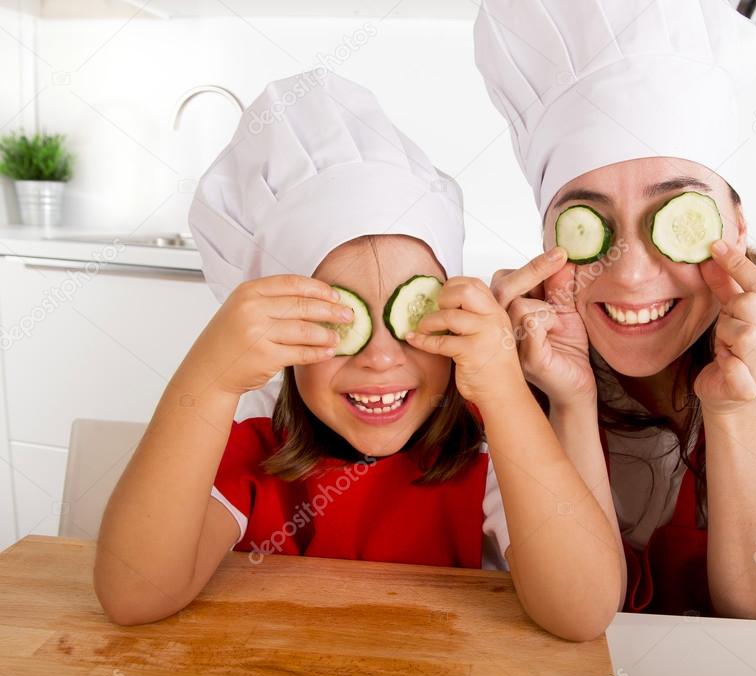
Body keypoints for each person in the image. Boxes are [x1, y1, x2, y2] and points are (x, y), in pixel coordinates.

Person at [94, 71, 623, 641]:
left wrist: (505, 392)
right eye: (335, 318)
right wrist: (209, 379)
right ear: (278, 340)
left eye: (412, 314)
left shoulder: (489, 448)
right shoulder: (251, 439)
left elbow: (583, 613)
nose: (378, 356)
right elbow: (134, 595)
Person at [476, 0, 756, 622]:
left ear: (738, 227)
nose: (633, 273)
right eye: (590, 225)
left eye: (678, 219)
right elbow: (578, 610)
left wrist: (737, 407)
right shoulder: (515, 346)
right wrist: (569, 400)